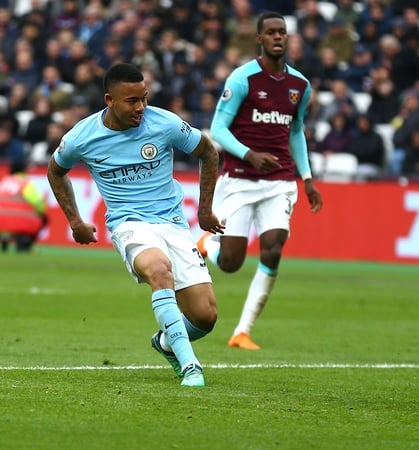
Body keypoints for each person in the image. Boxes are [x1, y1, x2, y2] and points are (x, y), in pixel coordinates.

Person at [46, 63, 225, 387]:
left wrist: (205, 210)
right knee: (159, 269)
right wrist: (75, 221)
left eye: (144, 98)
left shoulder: (165, 123)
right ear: (109, 99)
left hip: (172, 223)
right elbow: (55, 170)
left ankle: (165, 342)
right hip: (129, 223)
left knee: (205, 316)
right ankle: (191, 367)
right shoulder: (82, 137)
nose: (140, 107)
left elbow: (208, 153)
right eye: (131, 101)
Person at [196, 12, 323, 351]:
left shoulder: (300, 86)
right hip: (239, 178)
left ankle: (242, 331)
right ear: (260, 39)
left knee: (273, 248)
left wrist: (306, 177)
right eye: (271, 32)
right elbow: (218, 129)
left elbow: (295, 131)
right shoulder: (242, 79)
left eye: (282, 32)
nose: (277, 37)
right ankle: (208, 245)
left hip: (280, 181)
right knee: (231, 263)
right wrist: (249, 154)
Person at [0, 158, 47, 252]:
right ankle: (25, 240)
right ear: (23, 170)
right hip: (20, 221)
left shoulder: (4, 181)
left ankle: (5, 235)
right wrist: (42, 212)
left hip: (1, 221)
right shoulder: (25, 183)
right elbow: (38, 203)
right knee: (44, 218)